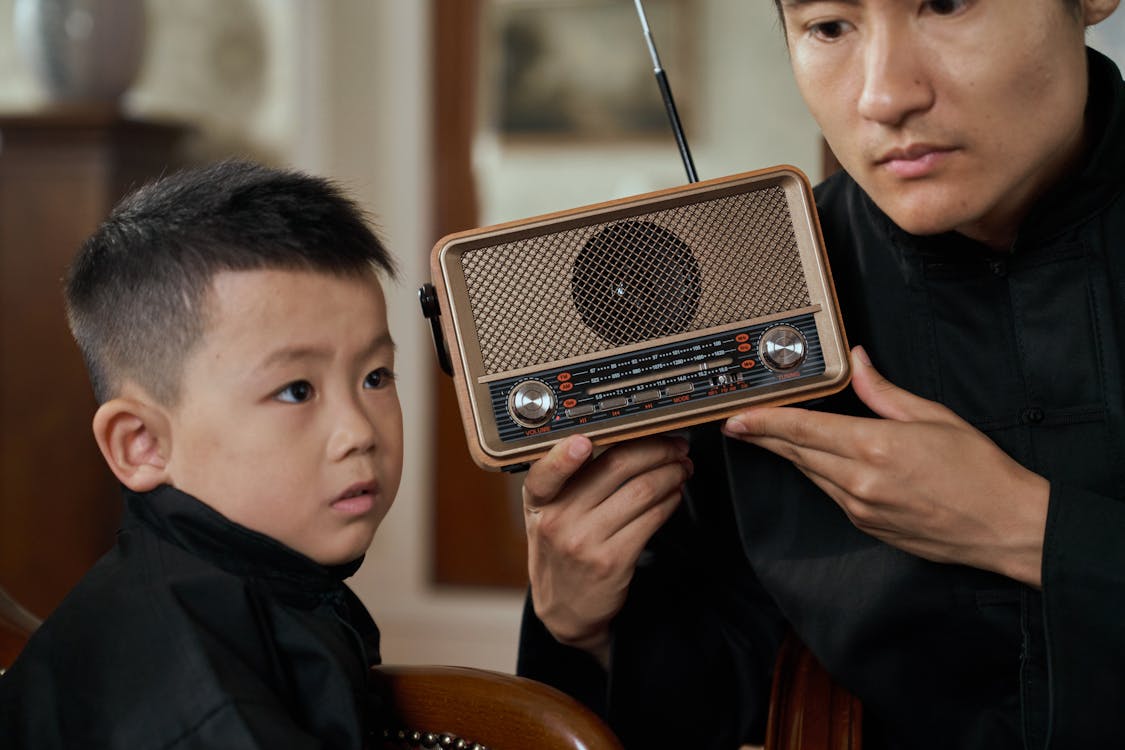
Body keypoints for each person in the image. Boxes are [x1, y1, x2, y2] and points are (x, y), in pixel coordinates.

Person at [515, 1, 1125, 747]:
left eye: (945, 3)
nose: (883, 95)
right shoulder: (750, 304)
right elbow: (719, 692)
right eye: (829, 26)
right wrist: (584, 627)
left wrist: (1027, 529)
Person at [0, 160, 403, 748]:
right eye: (297, 390)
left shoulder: (267, 576)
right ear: (141, 445)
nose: (358, 432)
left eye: (376, 376)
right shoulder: (203, 708)